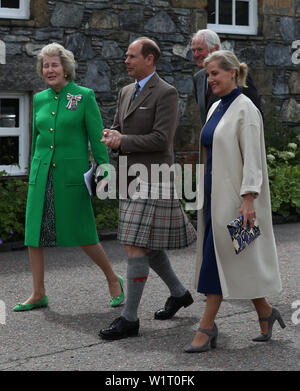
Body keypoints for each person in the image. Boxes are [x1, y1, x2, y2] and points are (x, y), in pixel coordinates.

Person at [184, 50, 285, 353]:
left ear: (232, 73)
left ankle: (206, 329)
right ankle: (266, 312)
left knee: (217, 262)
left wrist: (249, 200)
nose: (210, 79)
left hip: (235, 200)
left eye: (215, 73)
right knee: (235, 260)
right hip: (213, 198)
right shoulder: (216, 107)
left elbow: (253, 159)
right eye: (207, 74)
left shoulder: (246, 109)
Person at [13, 43, 124, 312]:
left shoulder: (84, 96)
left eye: (54, 64)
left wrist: (104, 168)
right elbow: (37, 138)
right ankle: (38, 292)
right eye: (45, 65)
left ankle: (113, 279)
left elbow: (98, 139)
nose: (49, 70)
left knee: (84, 233)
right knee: (34, 234)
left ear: (66, 68)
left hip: (72, 176)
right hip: (42, 174)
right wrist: (32, 171)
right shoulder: (39, 99)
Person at [99, 37, 197, 340]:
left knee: (134, 245)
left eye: (131, 56)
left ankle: (129, 319)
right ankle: (179, 294)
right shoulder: (125, 91)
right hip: (130, 177)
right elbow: (120, 127)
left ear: (149, 59)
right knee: (147, 246)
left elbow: (161, 139)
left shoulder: (166, 93)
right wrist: (111, 135)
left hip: (154, 177)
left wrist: (123, 141)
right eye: (126, 56)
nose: (126, 61)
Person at [191, 29, 262, 128]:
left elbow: (254, 115)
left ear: (215, 48)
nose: (195, 55)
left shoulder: (235, 74)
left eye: (200, 50)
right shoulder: (198, 78)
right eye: (193, 50)